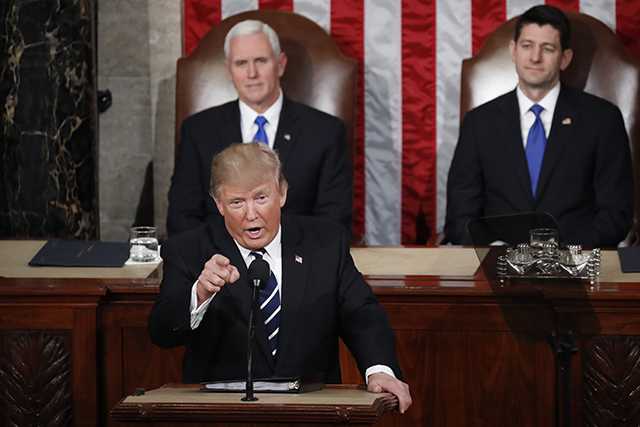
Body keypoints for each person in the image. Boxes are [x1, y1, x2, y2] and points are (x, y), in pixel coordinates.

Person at [150, 143, 411, 413]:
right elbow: (161, 333)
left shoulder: (324, 242)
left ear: (282, 193)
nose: (251, 214)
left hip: (312, 412)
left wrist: (380, 369)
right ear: (219, 204)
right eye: (237, 202)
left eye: (261, 198)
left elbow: (362, 314)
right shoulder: (189, 250)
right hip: (223, 414)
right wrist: (200, 293)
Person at [445, 5, 633, 247]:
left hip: (575, 268)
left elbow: (616, 214)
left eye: (548, 48)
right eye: (527, 46)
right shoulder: (479, 123)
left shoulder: (603, 120)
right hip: (498, 269)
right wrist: (491, 249)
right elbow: (460, 216)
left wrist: (563, 254)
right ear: (513, 51)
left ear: (565, 58)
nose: (535, 57)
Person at [167, 19, 352, 237]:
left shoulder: (325, 132)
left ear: (280, 64)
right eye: (241, 63)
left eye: (261, 61)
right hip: (218, 262)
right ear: (229, 70)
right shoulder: (198, 131)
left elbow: (333, 221)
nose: (251, 73)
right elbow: (182, 217)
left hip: (298, 261)